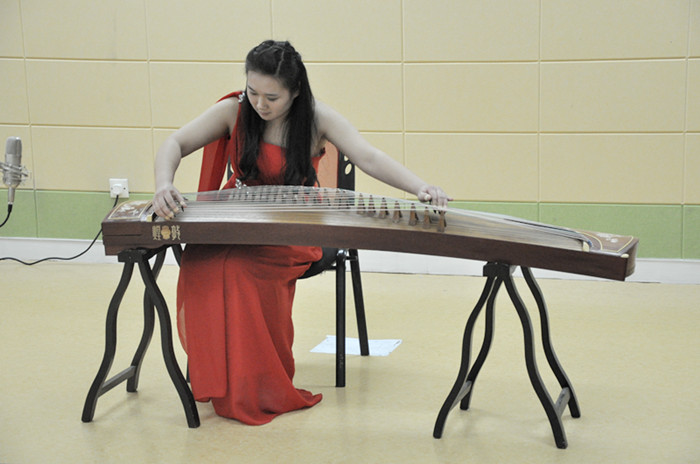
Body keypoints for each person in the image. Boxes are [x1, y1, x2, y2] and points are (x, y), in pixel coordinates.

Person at [152, 40, 451, 425]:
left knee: (240, 270)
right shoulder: (234, 110)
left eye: (272, 97)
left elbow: (369, 156)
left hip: (293, 225)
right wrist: (164, 184)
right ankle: (222, 380)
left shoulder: (316, 118)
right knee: (202, 261)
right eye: (253, 92)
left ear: (295, 91)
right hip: (237, 216)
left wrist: (420, 187)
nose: (260, 104)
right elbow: (175, 142)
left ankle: (258, 385)